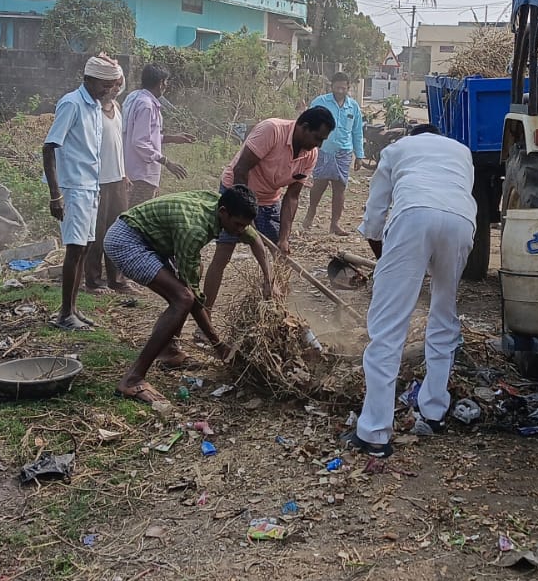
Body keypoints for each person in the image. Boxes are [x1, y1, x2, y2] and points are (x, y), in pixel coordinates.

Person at [341, 123, 477, 458]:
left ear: (411, 136)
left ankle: (374, 433)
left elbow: (374, 217)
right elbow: (455, 198)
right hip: (462, 222)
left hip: (414, 216)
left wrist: (387, 263)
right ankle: (432, 414)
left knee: (388, 329)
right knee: (444, 315)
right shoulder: (461, 152)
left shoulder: (397, 149)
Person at [104, 185, 277, 405]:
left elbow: (255, 240)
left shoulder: (223, 205)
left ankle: (169, 352)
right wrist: (219, 346)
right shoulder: (194, 229)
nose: (240, 230)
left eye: (244, 225)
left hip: (151, 239)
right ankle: (132, 379)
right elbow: (193, 299)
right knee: (183, 298)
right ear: (224, 212)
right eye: (237, 225)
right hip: (126, 241)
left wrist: (269, 281)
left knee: (186, 288)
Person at [201, 107, 336, 309]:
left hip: (269, 199)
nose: (318, 144)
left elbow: (292, 196)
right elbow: (241, 170)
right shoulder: (271, 130)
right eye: (317, 138)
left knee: (280, 256)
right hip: (237, 193)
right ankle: (206, 316)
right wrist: (247, 220)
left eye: (323, 140)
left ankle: (276, 310)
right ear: (304, 127)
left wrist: (284, 237)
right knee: (223, 254)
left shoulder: (310, 154)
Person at [43, 54, 121, 330]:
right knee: (74, 251)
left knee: (85, 249)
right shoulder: (72, 104)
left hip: (91, 186)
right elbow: (49, 147)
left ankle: (73, 310)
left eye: (111, 85)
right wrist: (55, 195)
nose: (108, 90)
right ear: (88, 79)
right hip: (74, 188)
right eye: (104, 84)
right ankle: (65, 314)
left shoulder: (95, 108)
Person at [84, 72, 133, 294]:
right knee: (97, 233)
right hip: (97, 181)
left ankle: (117, 279)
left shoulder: (117, 109)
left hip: (117, 180)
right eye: (111, 85)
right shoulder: (91, 110)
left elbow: (118, 145)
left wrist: (124, 174)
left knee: (118, 231)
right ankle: (93, 281)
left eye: (117, 85)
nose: (114, 89)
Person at [303, 71, 367, 235]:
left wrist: (359, 155)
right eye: (337, 88)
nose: (340, 91)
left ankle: (335, 224)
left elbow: (357, 131)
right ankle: (310, 213)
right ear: (331, 86)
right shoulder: (320, 102)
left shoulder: (353, 107)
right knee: (319, 185)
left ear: (348, 88)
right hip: (323, 151)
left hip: (344, 152)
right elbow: (307, 123)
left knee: (340, 187)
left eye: (343, 88)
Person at [122, 64, 196, 207]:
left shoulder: (137, 98)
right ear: (161, 83)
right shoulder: (146, 105)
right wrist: (167, 162)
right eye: (166, 82)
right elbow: (140, 143)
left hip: (137, 172)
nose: (166, 86)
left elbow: (145, 137)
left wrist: (173, 138)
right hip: (142, 174)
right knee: (138, 220)